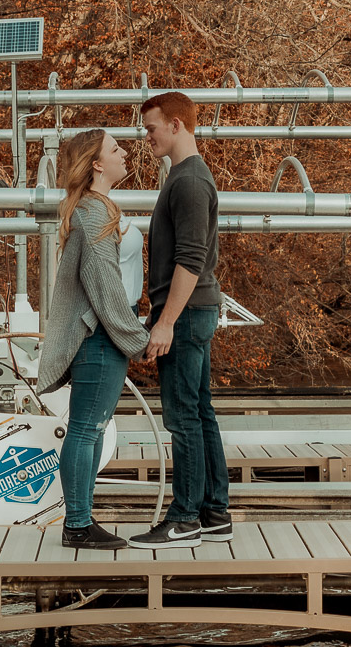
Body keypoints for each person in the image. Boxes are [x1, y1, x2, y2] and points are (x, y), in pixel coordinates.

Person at [127, 91, 230, 549]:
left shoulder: (188, 181)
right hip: (195, 310)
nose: (145, 136)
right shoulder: (186, 176)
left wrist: (165, 321)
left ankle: (185, 517)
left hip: (185, 314)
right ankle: (214, 512)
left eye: (150, 128)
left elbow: (190, 260)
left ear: (176, 125)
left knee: (182, 416)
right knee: (200, 411)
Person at [38, 129, 150, 550]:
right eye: (115, 149)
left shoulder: (97, 208)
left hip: (106, 332)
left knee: (93, 430)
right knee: (86, 430)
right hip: (101, 335)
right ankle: (78, 525)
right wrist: (137, 339)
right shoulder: (92, 213)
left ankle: (81, 521)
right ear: (97, 164)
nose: (125, 153)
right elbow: (102, 284)